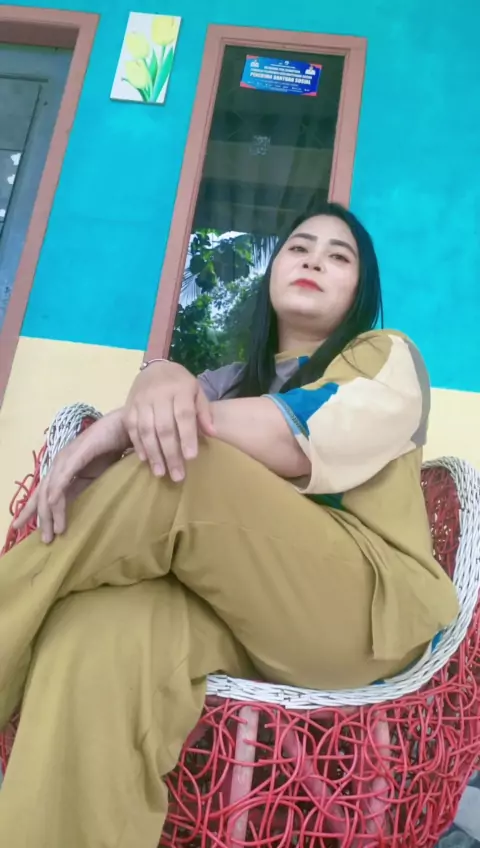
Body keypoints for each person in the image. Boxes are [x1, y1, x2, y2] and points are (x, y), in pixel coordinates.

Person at [0, 202, 458, 847]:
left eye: (339, 256)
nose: (315, 259)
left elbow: (298, 435)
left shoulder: (385, 356)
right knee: (97, 633)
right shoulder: (226, 384)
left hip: (363, 613)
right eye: (299, 247)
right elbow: (150, 445)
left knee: (184, 464)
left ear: (362, 290)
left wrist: (133, 418)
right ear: (272, 273)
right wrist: (161, 377)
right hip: (238, 616)